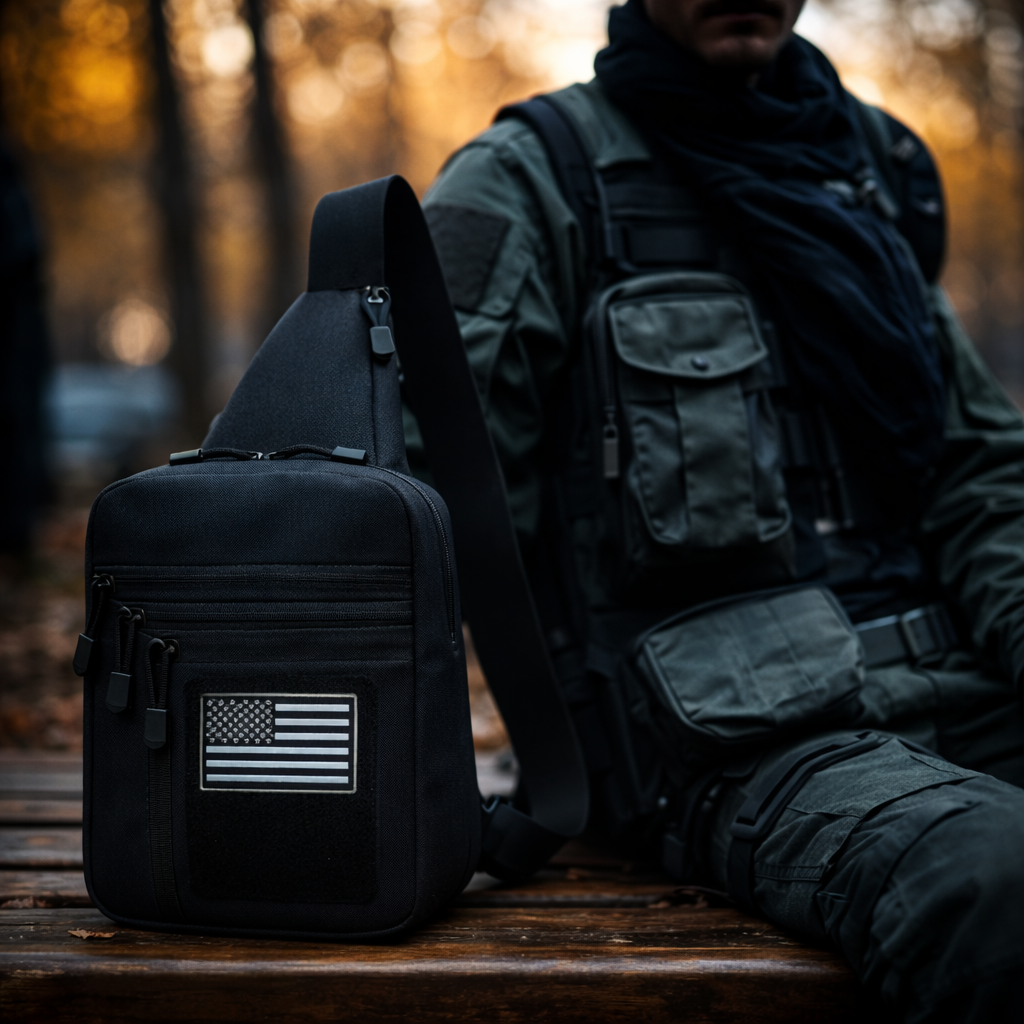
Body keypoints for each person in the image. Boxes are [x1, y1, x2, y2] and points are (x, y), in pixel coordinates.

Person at [418, 1, 1024, 1019]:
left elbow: (977, 472)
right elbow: (422, 513)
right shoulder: (531, 181)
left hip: (959, 679)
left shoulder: (867, 166)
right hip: (732, 740)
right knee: (1000, 882)